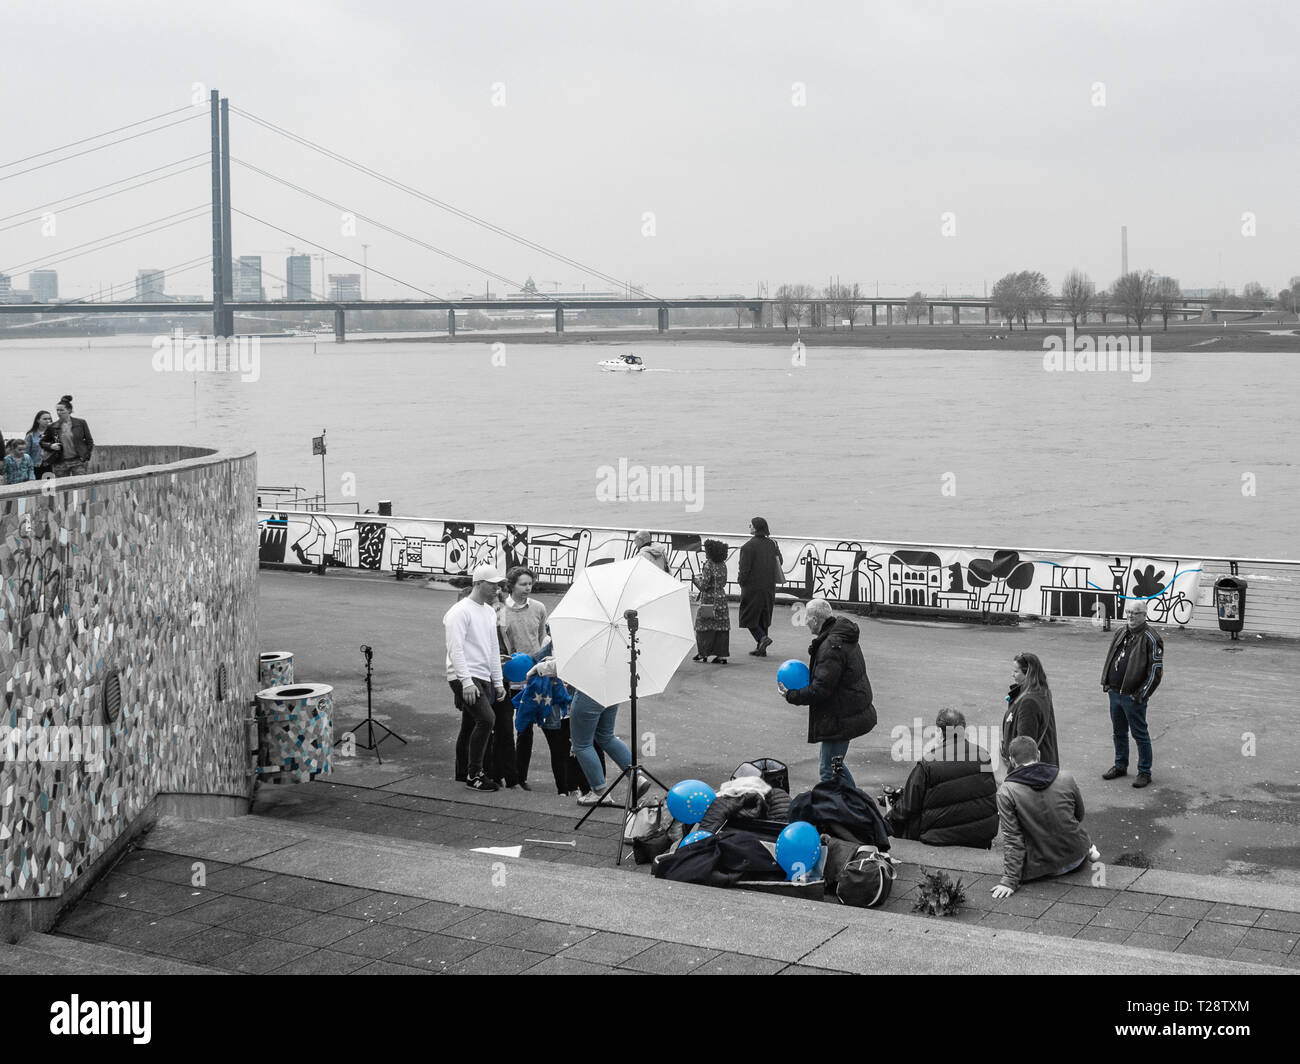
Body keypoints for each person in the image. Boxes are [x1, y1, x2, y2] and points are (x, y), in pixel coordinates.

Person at [779, 598, 876, 787]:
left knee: (828, 769)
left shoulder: (831, 647)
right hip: (847, 712)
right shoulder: (839, 636)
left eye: (807, 617)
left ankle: (852, 807)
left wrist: (792, 695)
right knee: (835, 766)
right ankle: (854, 804)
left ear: (815, 620)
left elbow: (820, 689)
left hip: (840, 717)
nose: (805, 621)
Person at [526, 656, 647, 806]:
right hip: (611, 687)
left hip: (589, 689)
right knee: (606, 736)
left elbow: (575, 661)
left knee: (581, 745)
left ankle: (600, 792)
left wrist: (540, 668)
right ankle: (637, 777)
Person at [991, 736, 1100, 899]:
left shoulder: (1006, 792)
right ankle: (1089, 848)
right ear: (1039, 755)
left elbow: (1013, 839)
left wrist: (1010, 880)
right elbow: (1079, 815)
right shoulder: (1065, 777)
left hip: (1040, 868)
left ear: (1012, 761)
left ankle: (1088, 848)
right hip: (1076, 857)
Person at [886, 708, 997, 848]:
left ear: (939, 732)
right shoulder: (983, 755)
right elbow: (988, 791)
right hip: (980, 835)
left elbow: (907, 807)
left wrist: (886, 821)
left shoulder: (928, 763)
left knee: (907, 812)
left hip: (939, 837)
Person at [445, 563, 508, 791]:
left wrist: (498, 681)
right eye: (492, 585)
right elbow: (456, 649)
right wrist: (466, 681)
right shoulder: (459, 611)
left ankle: (464, 773)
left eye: (499, 585)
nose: (497, 589)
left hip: (481, 675)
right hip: (465, 675)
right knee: (487, 719)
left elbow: (492, 648)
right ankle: (475, 774)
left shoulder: (489, 611)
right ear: (478, 584)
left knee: (470, 724)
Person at [1100, 600, 1164, 788]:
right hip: (1115, 692)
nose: (1130, 616)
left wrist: (1141, 694)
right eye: (1128, 612)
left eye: (1135, 613)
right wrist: (1107, 683)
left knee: (1140, 734)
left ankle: (1145, 771)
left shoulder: (1151, 638)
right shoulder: (1121, 632)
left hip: (1133, 696)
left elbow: (1155, 672)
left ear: (1145, 614)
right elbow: (1111, 656)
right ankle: (1120, 765)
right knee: (1118, 732)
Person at [497, 565, 548, 792]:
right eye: (523, 584)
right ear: (512, 585)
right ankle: (502, 773)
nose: (528, 588)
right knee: (505, 728)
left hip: (533, 677)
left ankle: (520, 775)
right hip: (508, 677)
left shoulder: (538, 608)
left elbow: (540, 638)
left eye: (530, 584)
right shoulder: (499, 611)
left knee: (525, 728)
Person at [1001, 652, 1060, 770]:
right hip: (1045, 764)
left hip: (1033, 772)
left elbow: (1024, 747)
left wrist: (1012, 774)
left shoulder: (1029, 702)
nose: (1012, 675)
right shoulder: (1042, 692)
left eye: (1016, 671)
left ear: (1028, 673)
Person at [738, 516, 783, 656]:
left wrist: (741, 582)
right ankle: (761, 648)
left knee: (747, 616)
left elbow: (744, 569)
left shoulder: (747, 547)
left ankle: (762, 638)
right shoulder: (772, 544)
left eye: (750, 525)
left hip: (752, 587)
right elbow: (779, 561)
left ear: (756, 527)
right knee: (764, 615)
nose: (749, 527)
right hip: (769, 586)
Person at [691, 538, 730, 664]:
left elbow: (703, 586)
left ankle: (703, 653)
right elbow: (723, 582)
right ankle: (722, 655)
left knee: (703, 626)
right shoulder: (723, 564)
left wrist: (695, 580)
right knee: (721, 626)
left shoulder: (708, 565)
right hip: (721, 598)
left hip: (709, 599)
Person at [41, 395, 94, 477]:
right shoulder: (52, 426)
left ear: (69, 410)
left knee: (80, 486)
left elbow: (89, 441)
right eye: (57, 410)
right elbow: (42, 442)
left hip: (78, 461)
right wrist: (51, 446)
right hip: (60, 462)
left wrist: (86, 456)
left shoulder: (80, 423)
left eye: (62, 410)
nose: (59, 412)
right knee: (62, 488)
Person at [26, 411, 53, 479]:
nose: (48, 421)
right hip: (35, 466)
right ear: (38, 420)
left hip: (50, 465)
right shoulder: (31, 435)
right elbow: (26, 453)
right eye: (45, 419)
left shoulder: (54, 433)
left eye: (49, 419)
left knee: (49, 488)